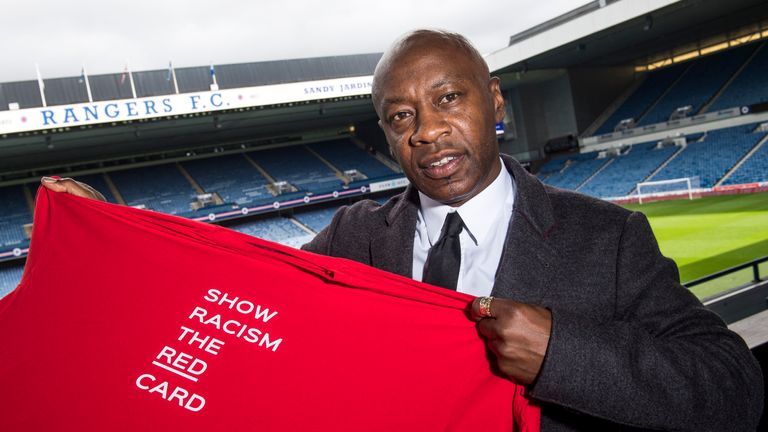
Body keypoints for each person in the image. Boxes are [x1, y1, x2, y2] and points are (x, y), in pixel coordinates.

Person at [42, 30, 763, 430]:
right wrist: (111, 228)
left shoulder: (609, 239)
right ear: (387, 135)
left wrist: (561, 352)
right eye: (401, 116)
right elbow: (248, 290)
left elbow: (733, 390)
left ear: (495, 100)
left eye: (448, 98)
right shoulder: (357, 233)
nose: (429, 131)